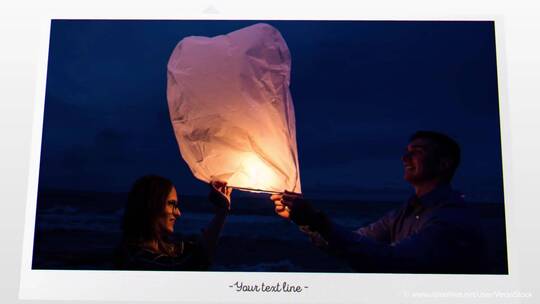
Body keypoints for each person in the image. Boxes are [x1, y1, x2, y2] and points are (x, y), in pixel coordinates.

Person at [271, 131, 487, 273]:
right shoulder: (405, 212)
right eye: (406, 152)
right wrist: (305, 222)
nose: (405, 158)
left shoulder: (451, 217)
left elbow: (394, 261)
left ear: (443, 164)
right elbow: (355, 242)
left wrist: (316, 221)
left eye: (417, 152)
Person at [115, 175, 232, 270]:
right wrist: (222, 212)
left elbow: (198, 251)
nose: (178, 213)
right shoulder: (136, 258)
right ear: (151, 205)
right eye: (171, 204)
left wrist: (221, 210)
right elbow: (190, 264)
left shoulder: (169, 249)